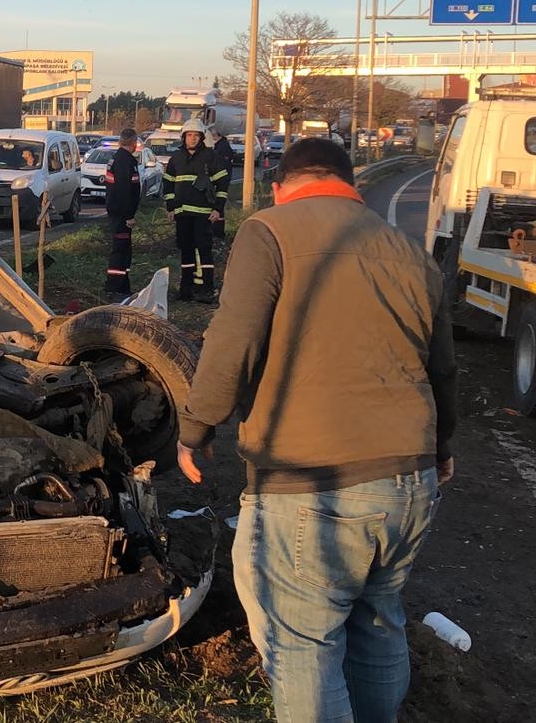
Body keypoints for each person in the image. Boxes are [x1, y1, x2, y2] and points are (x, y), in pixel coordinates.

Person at [176, 137, 458, 722]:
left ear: (282, 185)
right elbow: (443, 368)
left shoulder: (270, 230)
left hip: (312, 481)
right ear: (350, 185)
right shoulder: (409, 251)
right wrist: (444, 448)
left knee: (303, 642)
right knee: (379, 621)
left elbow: (234, 342)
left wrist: (196, 427)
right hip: (411, 479)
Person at [162, 120, 229, 303]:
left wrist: (218, 209)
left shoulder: (211, 157)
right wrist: (170, 207)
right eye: (189, 135)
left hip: (204, 213)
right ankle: (186, 288)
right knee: (186, 250)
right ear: (184, 137)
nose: (192, 139)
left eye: (196, 135)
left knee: (204, 250)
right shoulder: (176, 158)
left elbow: (222, 184)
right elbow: (168, 183)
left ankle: (206, 289)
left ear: (201, 138)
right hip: (182, 214)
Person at [102, 128, 143, 298]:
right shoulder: (126, 162)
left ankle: (123, 285)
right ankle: (116, 287)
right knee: (120, 251)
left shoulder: (116, 158)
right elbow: (126, 190)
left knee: (124, 250)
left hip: (116, 212)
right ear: (134, 143)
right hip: (122, 215)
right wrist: (129, 216)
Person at [206, 124, 236, 242]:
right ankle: (216, 233)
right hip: (217, 182)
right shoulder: (220, 146)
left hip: (219, 183)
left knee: (218, 207)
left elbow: (222, 167)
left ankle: (218, 234)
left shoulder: (222, 147)